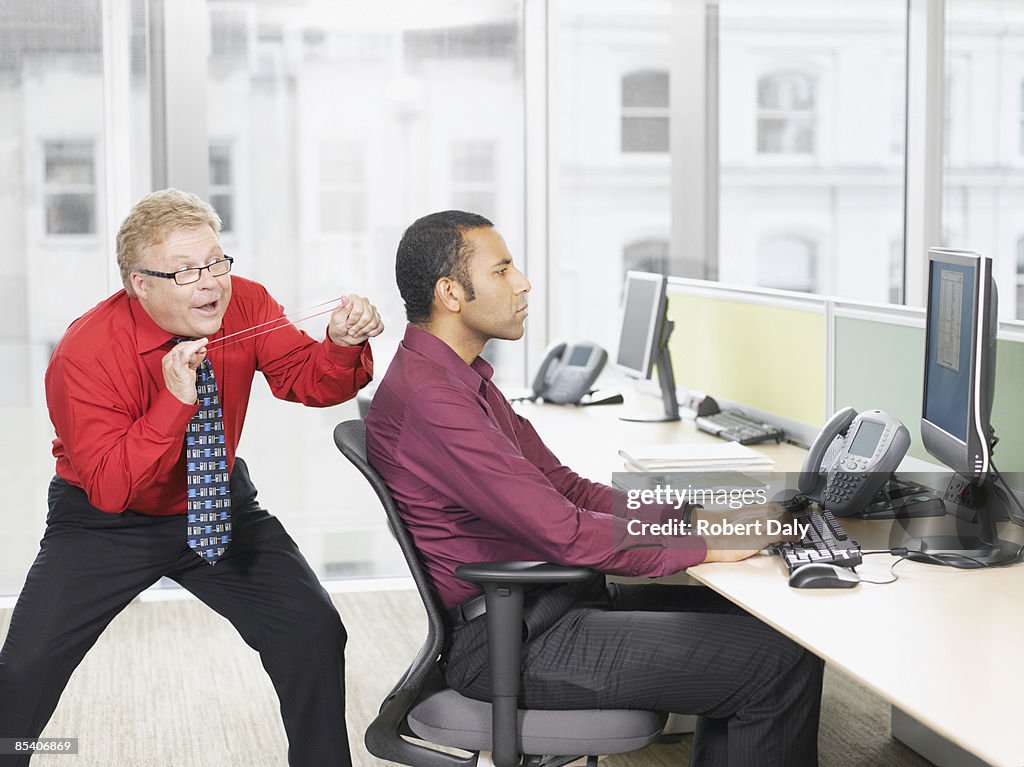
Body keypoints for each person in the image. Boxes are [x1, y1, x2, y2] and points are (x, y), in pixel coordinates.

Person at [364, 210, 825, 767]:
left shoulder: (457, 380)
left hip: (542, 605)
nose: (523, 283)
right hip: (510, 641)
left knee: (768, 628)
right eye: (503, 270)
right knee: (776, 663)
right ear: (451, 293)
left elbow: (567, 490)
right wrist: (710, 541)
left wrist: (691, 515)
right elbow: (565, 531)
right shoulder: (434, 401)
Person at [0, 188, 383, 767]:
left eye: (215, 262)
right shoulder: (84, 353)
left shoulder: (246, 303)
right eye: (184, 272)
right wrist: (173, 403)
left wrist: (341, 345)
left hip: (215, 498)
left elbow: (308, 382)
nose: (209, 283)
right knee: (25, 672)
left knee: (312, 630)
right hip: (105, 522)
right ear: (140, 283)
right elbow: (109, 487)